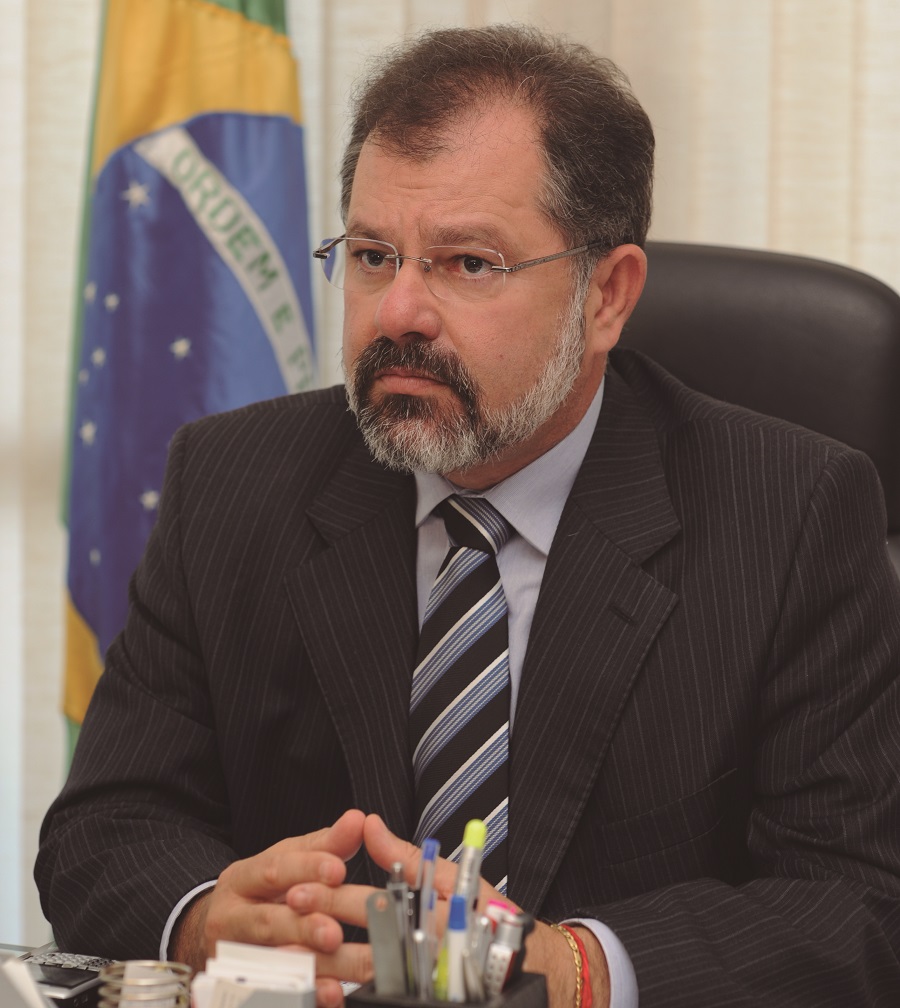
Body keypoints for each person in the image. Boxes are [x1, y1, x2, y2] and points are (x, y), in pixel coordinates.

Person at [37, 23, 900, 1008]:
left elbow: (855, 907)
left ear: (607, 296)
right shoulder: (232, 481)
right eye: (373, 255)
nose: (397, 311)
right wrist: (205, 916)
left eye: (467, 263)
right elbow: (103, 827)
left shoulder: (792, 516)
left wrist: (576, 971)